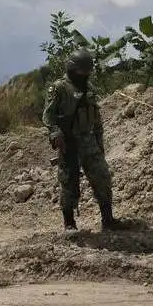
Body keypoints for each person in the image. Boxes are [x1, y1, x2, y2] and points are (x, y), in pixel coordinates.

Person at [42, 48, 123, 235]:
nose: (84, 74)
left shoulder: (90, 88)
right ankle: (69, 223)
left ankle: (108, 219)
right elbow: (48, 115)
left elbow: (96, 117)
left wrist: (100, 141)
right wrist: (55, 132)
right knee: (69, 182)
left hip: (89, 141)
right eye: (81, 71)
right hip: (69, 142)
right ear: (72, 68)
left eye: (87, 71)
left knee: (102, 177)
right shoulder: (59, 87)